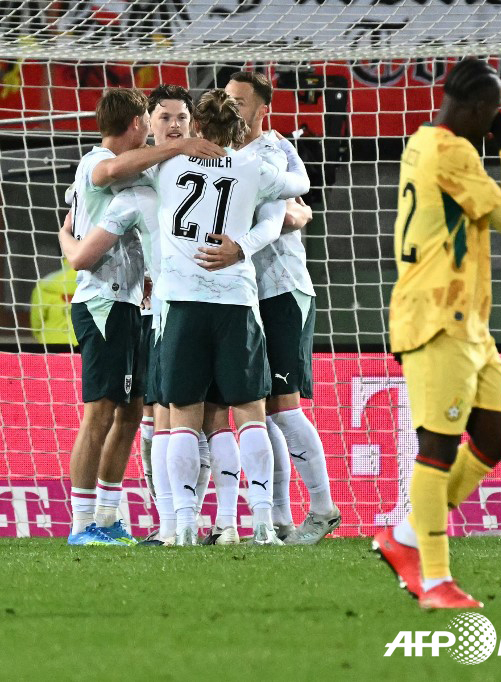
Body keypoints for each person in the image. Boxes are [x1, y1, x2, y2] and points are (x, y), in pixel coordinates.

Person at [372, 57, 501, 609]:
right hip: (438, 315)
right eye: (494, 112)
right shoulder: (454, 150)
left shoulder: (421, 141)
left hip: (469, 322)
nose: (495, 119)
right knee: (436, 447)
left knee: (494, 438)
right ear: (479, 108)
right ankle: (434, 579)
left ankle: (406, 536)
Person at [60, 87, 223, 546]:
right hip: (103, 304)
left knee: (131, 412)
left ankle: (108, 519)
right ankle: (81, 523)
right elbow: (107, 182)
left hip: (133, 303)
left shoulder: (141, 176)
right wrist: (179, 144)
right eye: (158, 120)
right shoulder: (96, 163)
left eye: (180, 119)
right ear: (138, 123)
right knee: (99, 412)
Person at [150, 89, 309, 545]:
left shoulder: (166, 165)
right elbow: (298, 187)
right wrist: (282, 148)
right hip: (235, 303)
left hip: (181, 302)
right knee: (250, 414)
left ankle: (181, 526)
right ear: (239, 129)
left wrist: (176, 146)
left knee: (182, 415)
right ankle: (261, 522)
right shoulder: (253, 168)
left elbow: (113, 175)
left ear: (197, 127)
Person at [224, 70, 339, 545]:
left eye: (241, 101)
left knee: (283, 407)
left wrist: (290, 213)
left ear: (261, 109)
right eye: (227, 99)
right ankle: (278, 518)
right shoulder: (229, 153)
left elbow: (293, 210)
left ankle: (324, 507)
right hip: (251, 292)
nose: (232, 108)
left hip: (283, 288)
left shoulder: (269, 150)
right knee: (262, 410)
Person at [29, 259, 78, 346]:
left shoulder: (46, 282)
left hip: (51, 344)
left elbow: (37, 320)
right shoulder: (102, 283)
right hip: (87, 346)